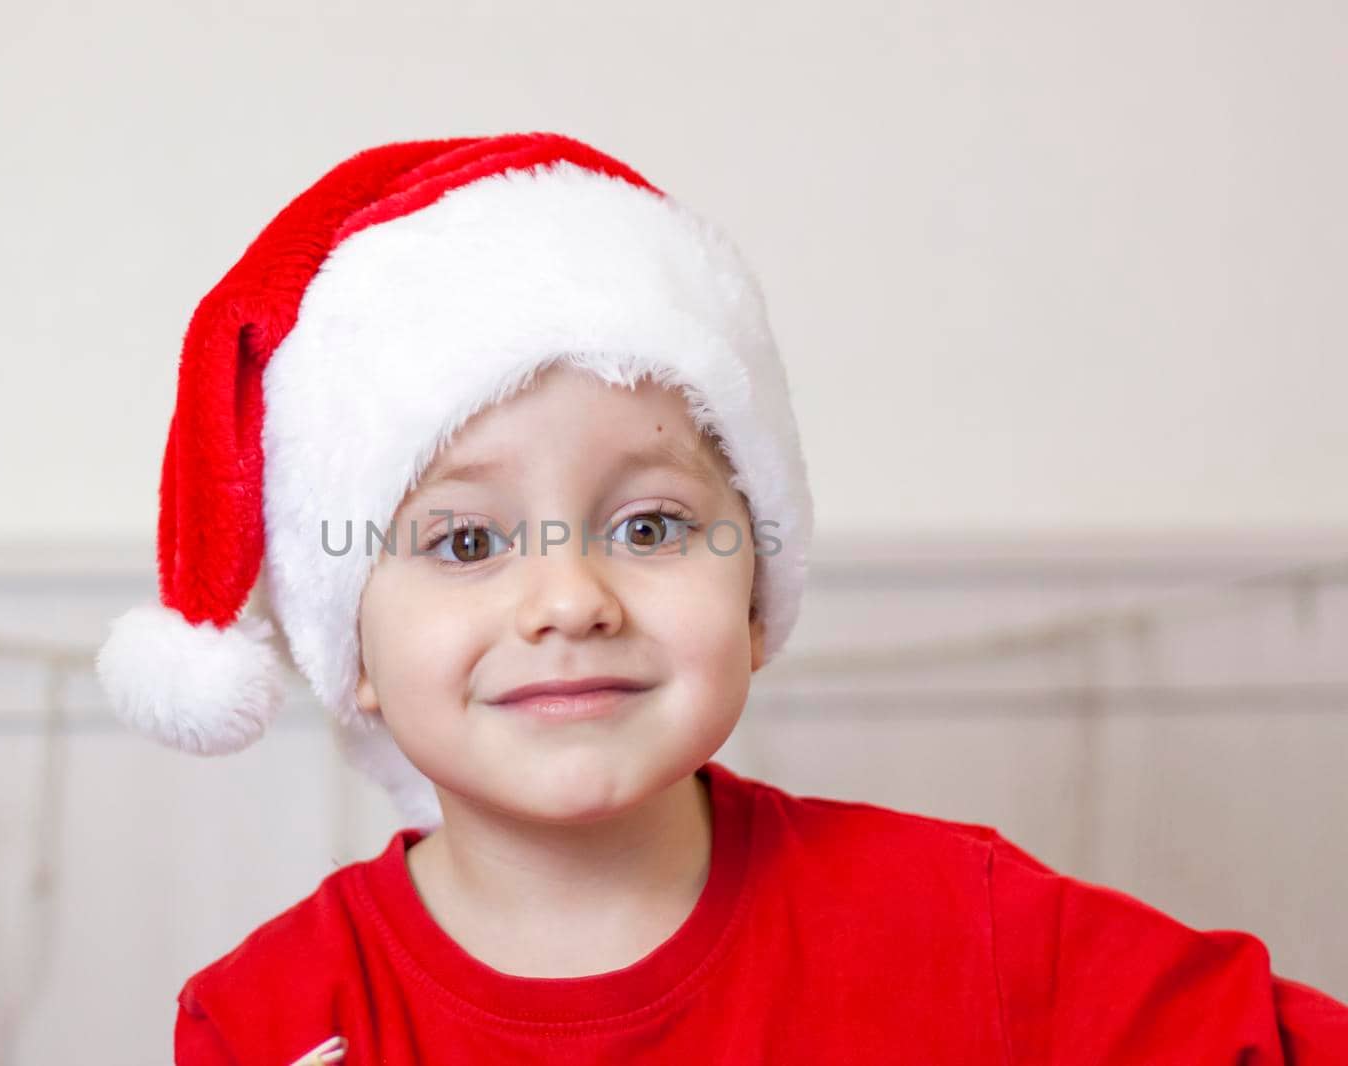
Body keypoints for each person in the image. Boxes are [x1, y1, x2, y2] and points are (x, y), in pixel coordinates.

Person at [95, 132, 1348, 1064]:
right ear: (344, 646)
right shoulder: (274, 1015)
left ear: (757, 587)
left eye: (647, 524)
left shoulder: (958, 922)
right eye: (466, 539)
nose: (569, 597)